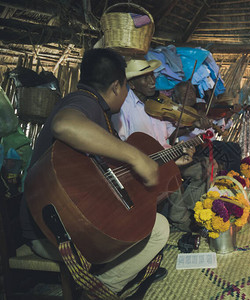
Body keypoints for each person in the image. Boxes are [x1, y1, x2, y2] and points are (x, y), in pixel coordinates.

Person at [19, 48, 169, 297]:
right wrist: (135, 156)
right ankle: (100, 290)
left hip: (57, 221)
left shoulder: (96, 108)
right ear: (116, 87)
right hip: (50, 234)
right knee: (158, 227)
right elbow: (65, 124)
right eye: (126, 88)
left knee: (142, 216)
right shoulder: (84, 103)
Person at [112, 58, 214, 232]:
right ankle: (181, 222)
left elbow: (170, 136)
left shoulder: (157, 103)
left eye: (152, 75)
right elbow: (120, 146)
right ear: (133, 85)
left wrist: (190, 129)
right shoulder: (123, 108)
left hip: (167, 156)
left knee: (205, 166)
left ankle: (193, 212)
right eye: (145, 78)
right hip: (144, 165)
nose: (152, 81)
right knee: (170, 173)